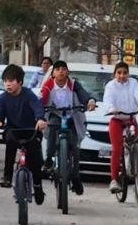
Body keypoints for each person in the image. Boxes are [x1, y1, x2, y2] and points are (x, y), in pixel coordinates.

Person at [0, 64, 48, 204]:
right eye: (5, 81)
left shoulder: (28, 95)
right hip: (13, 131)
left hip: (30, 132)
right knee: (9, 145)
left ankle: (38, 186)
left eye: (11, 81)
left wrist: (40, 119)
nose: (8, 84)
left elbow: (37, 108)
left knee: (35, 160)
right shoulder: (3, 98)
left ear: (20, 82)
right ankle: (7, 177)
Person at [39, 60, 96, 195]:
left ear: (68, 72)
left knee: (75, 147)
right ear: (53, 73)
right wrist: (38, 108)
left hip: (72, 116)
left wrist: (90, 102)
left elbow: (83, 94)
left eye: (64, 69)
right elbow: (41, 98)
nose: (61, 72)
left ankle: (76, 176)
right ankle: (48, 158)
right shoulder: (48, 85)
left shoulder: (74, 84)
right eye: (57, 69)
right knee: (52, 129)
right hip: (55, 114)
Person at [102, 61, 138, 193]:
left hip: (131, 119)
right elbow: (108, 99)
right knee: (117, 149)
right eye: (119, 73)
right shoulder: (110, 86)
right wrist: (112, 108)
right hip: (117, 120)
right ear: (114, 74)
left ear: (128, 74)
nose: (122, 76)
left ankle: (137, 169)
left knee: (137, 143)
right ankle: (114, 179)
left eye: (125, 73)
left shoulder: (133, 83)